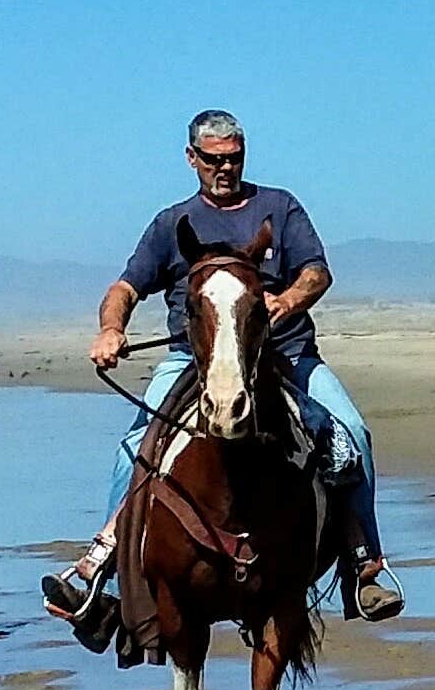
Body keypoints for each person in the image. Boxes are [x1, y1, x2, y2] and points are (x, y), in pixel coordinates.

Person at [42, 110, 403, 635]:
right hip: (194, 360)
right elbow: (125, 287)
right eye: (214, 160)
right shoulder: (171, 223)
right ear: (192, 159)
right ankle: (108, 581)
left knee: (351, 434)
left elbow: (316, 271)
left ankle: (363, 566)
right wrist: (110, 330)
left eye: (234, 158)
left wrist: (285, 302)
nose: (225, 168)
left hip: (285, 356)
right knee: (134, 449)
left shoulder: (279, 207)